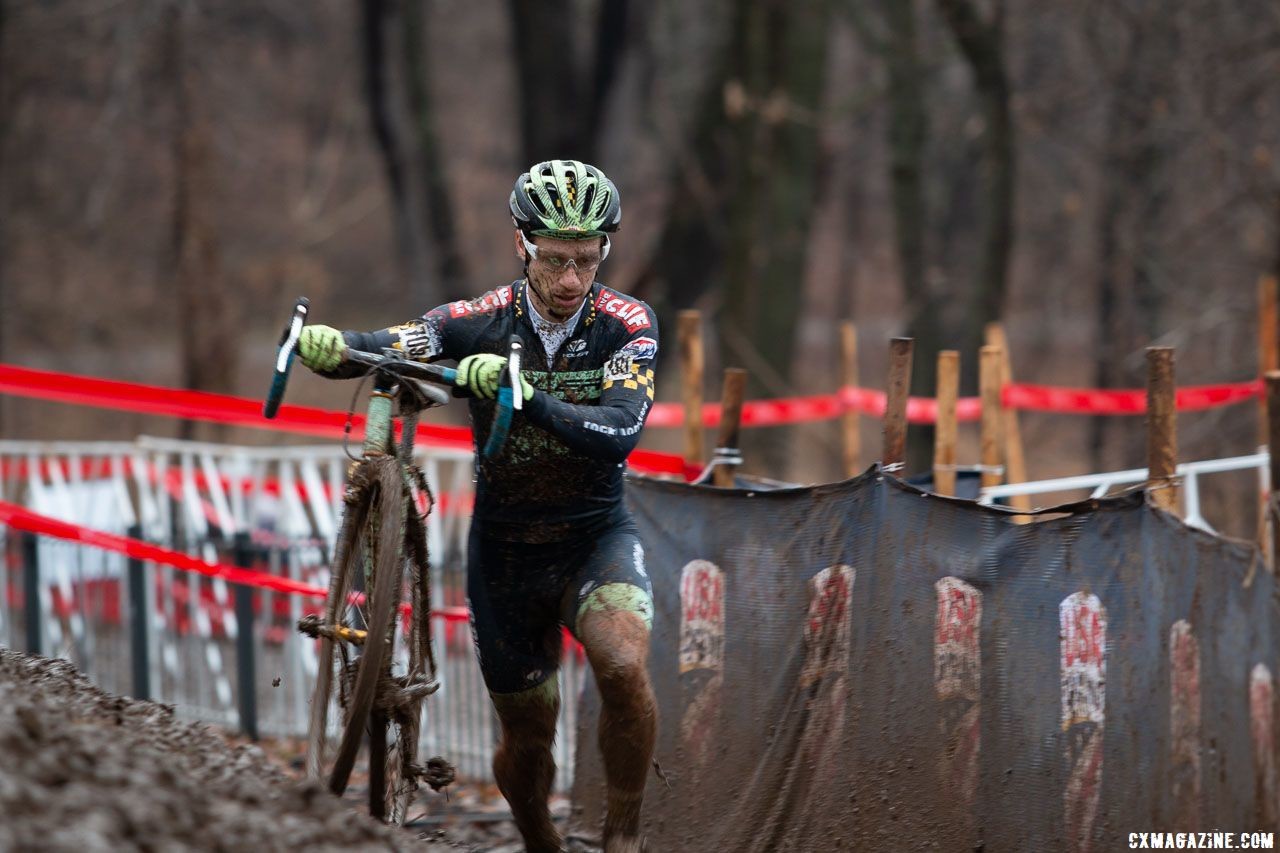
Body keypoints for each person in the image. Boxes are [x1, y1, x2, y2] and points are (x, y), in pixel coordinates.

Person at [297, 159, 658, 853]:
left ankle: (624, 834)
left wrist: (525, 395)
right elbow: (394, 347)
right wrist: (332, 348)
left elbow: (620, 430)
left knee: (621, 664)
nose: (570, 280)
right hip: (505, 555)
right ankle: (540, 840)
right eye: (554, 259)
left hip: (594, 536)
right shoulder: (479, 320)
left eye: (586, 260)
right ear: (521, 244)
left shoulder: (627, 324)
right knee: (528, 736)